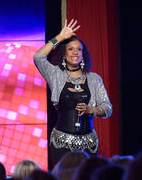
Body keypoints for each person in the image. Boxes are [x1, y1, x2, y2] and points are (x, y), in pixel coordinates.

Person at [34, 19, 112, 169]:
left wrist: (92, 110)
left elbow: (107, 108)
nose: (75, 52)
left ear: (83, 54)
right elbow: (38, 57)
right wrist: (60, 38)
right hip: (61, 142)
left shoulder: (94, 79)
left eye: (79, 49)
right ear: (64, 54)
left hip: (88, 143)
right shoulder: (55, 74)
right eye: (70, 49)